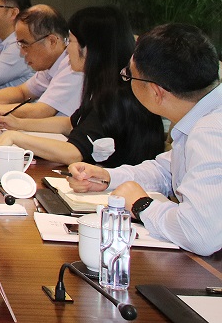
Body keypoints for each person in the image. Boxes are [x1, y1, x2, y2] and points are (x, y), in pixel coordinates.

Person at [68, 24, 221, 256]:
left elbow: (199, 234)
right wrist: (108, 178)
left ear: (156, 92)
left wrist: (141, 204)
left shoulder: (211, 131)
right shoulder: (202, 114)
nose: (126, 80)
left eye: (129, 75)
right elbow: (167, 170)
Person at [0, 7, 164, 167]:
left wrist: (15, 137)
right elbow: (69, 123)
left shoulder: (116, 95)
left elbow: (73, 153)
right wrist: (19, 124)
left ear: (89, 49)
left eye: (70, 41)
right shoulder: (108, 85)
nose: (66, 49)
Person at [0, 5, 83, 130]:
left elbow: (40, 111)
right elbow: (22, 92)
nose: (22, 52)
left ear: (52, 41)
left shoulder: (73, 67)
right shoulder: (52, 63)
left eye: (25, 45)